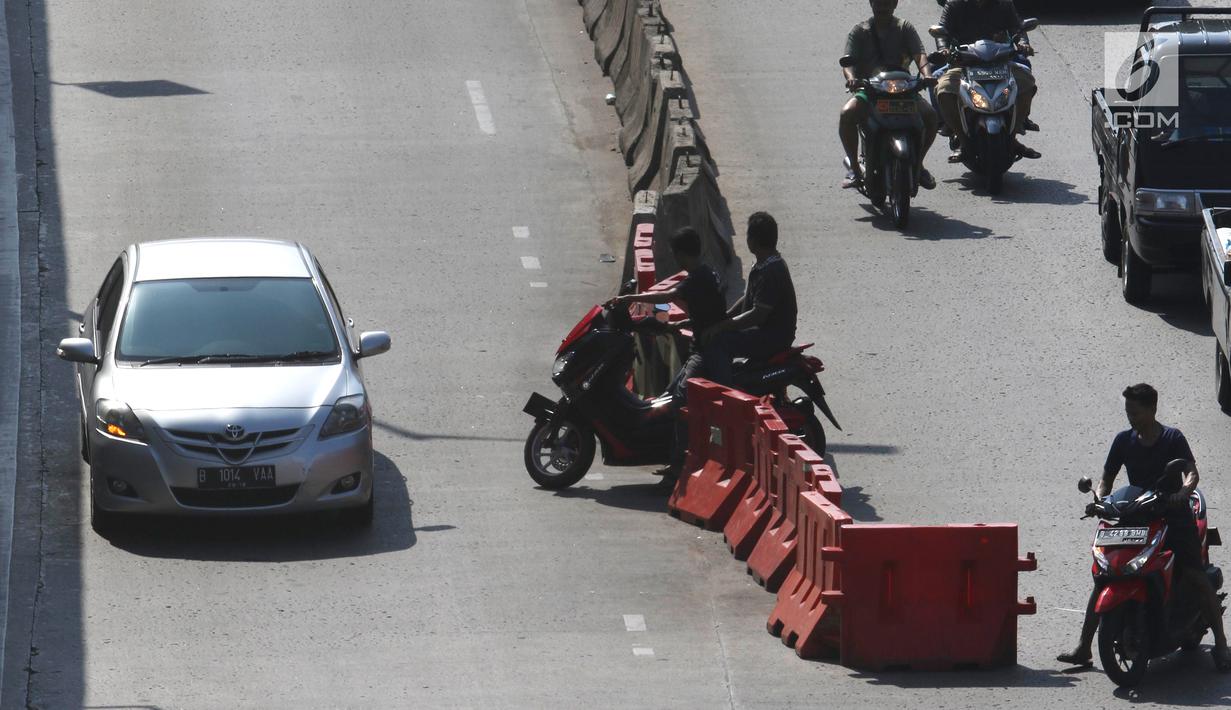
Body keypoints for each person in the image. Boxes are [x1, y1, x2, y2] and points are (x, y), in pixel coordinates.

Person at [1057, 384, 1231, 672]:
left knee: (1195, 575)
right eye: (1128, 412)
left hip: (1172, 513)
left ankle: (1222, 644)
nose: (1131, 418)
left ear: (1152, 410)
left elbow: (1191, 473)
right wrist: (1100, 500)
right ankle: (1084, 648)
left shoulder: (1172, 438)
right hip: (1136, 512)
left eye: (1135, 412)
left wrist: (1183, 493)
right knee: (1105, 574)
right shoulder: (1123, 440)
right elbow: (1107, 478)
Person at [608, 226, 727, 480]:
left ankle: (680, 465)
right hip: (703, 345)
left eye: (676, 254)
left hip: (707, 353)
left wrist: (631, 297)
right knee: (668, 396)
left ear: (682, 254)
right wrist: (680, 325)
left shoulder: (697, 278)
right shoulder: (707, 272)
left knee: (681, 402)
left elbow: (668, 295)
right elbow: (709, 311)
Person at [841, 0, 938, 191]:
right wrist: (852, 78)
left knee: (931, 116)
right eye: (879, 2)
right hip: (870, 91)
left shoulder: (905, 28)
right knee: (847, 114)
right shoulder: (860, 31)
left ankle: (919, 164)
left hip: (903, 90)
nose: (883, 6)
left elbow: (920, 54)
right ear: (871, 3)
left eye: (887, 2)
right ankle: (855, 168)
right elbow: (847, 63)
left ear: (895, 4)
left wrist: (927, 75)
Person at [700, 212, 797, 387]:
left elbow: (757, 315)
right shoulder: (764, 264)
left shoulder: (770, 271)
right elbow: (750, 297)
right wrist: (726, 316)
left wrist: (720, 326)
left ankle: (724, 393)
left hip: (772, 338)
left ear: (753, 240)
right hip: (768, 334)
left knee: (719, 342)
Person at [936, 0, 1040, 161]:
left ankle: (1013, 136)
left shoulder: (1004, 4)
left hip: (1000, 62)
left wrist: (1023, 44)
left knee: (1026, 83)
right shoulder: (954, 4)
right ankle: (961, 139)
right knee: (943, 89)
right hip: (965, 64)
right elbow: (943, 31)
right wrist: (944, 49)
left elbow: (1017, 28)